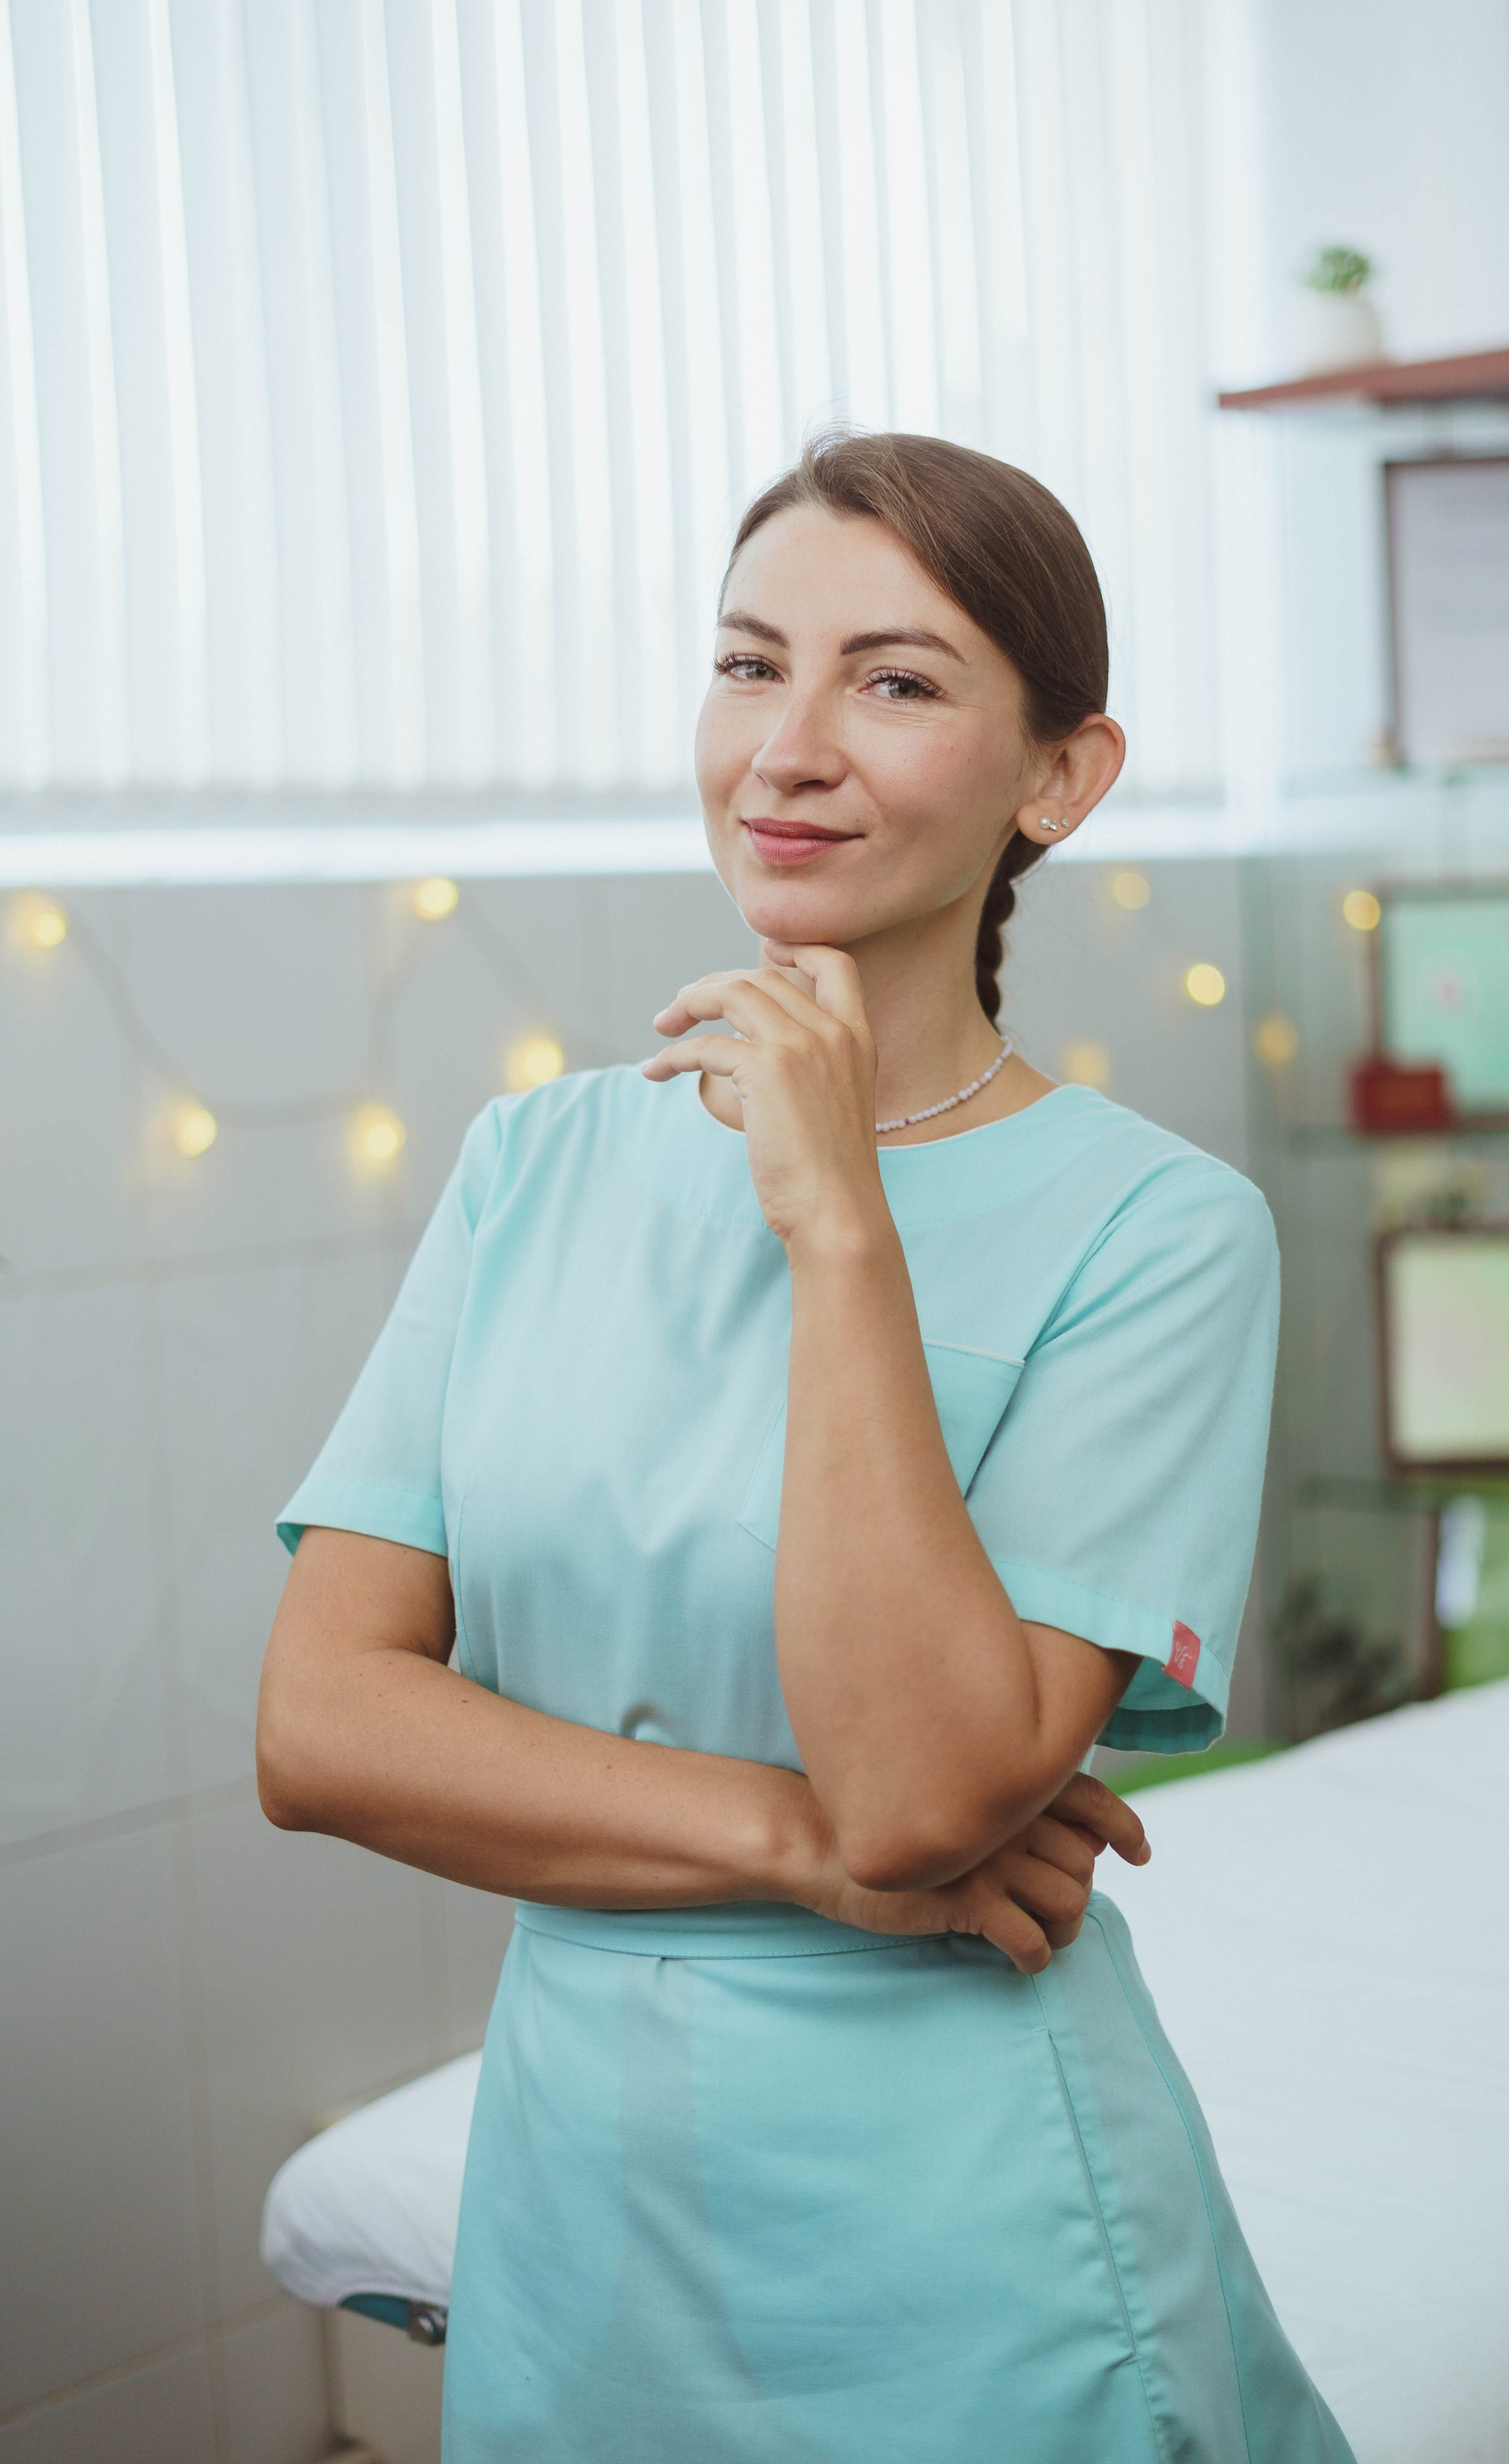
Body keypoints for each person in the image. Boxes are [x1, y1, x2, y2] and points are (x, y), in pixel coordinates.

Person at [257, 431, 1354, 2462]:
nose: (788, 748)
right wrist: (811, 1857)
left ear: (1061, 778)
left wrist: (840, 1217)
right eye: (750, 664)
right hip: (581, 2195)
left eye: (897, 680)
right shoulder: (531, 1166)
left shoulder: (1162, 1232)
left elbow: (924, 1789)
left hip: (967, 2230)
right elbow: (320, 1731)